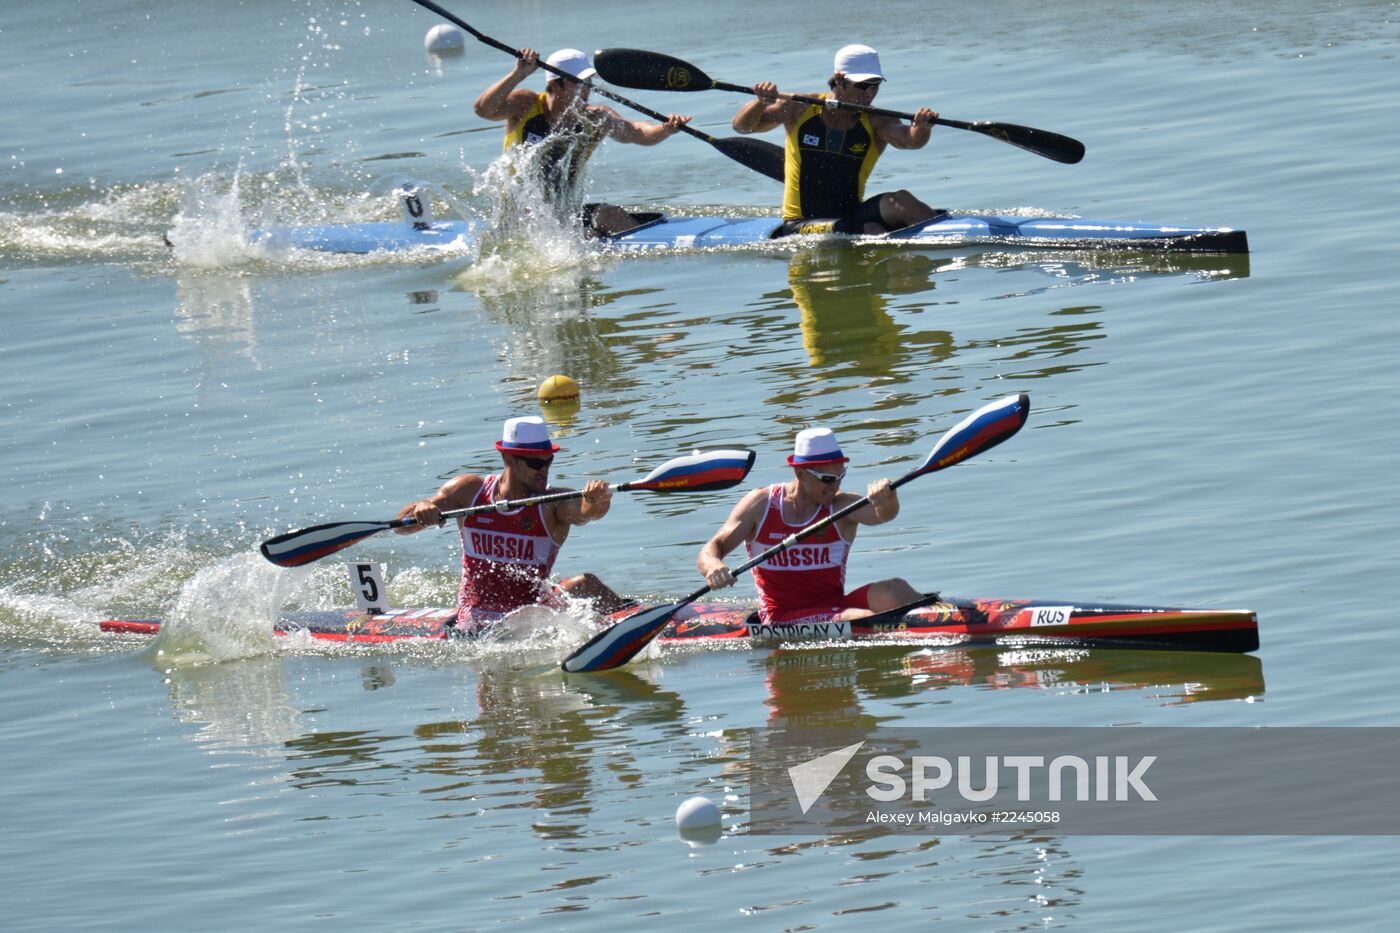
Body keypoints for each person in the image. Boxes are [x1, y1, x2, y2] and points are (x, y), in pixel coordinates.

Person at [395, 416, 631, 631]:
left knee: (585, 584)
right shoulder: (469, 491)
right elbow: (400, 525)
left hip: (533, 612)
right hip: (478, 619)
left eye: (548, 462)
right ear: (508, 459)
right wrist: (422, 507)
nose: (544, 471)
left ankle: (637, 621)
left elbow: (586, 512)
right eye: (535, 464)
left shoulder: (552, 504)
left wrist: (600, 498)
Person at [696, 427, 921, 623]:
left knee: (895, 589)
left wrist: (888, 498)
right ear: (800, 473)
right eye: (827, 479)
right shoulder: (761, 505)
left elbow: (883, 515)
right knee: (861, 618)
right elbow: (711, 548)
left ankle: (945, 619)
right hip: (781, 617)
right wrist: (714, 566)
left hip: (835, 607)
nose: (835, 486)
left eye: (840, 477)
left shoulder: (841, 506)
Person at [472, 48, 691, 236]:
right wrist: (517, 75)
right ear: (555, 85)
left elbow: (637, 132)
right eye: (579, 83)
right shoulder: (526, 104)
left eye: (588, 82)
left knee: (610, 215)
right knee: (585, 234)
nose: (586, 89)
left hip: (562, 213)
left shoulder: (595, 119)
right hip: (518, 216)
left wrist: (666, 129)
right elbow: (483, 109)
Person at [730, 44, 941, 236]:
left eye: (875, 85)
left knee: (902, 200)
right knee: (872, 230)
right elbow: (742, 126)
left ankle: (947, 235)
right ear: (839, 79)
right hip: (801, 222)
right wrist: (759, 103)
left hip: (852, 214)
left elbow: (911, 141)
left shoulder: (877, 120)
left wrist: (921, 128)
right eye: (862, 85)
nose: (870, 93)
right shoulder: (800, 107)